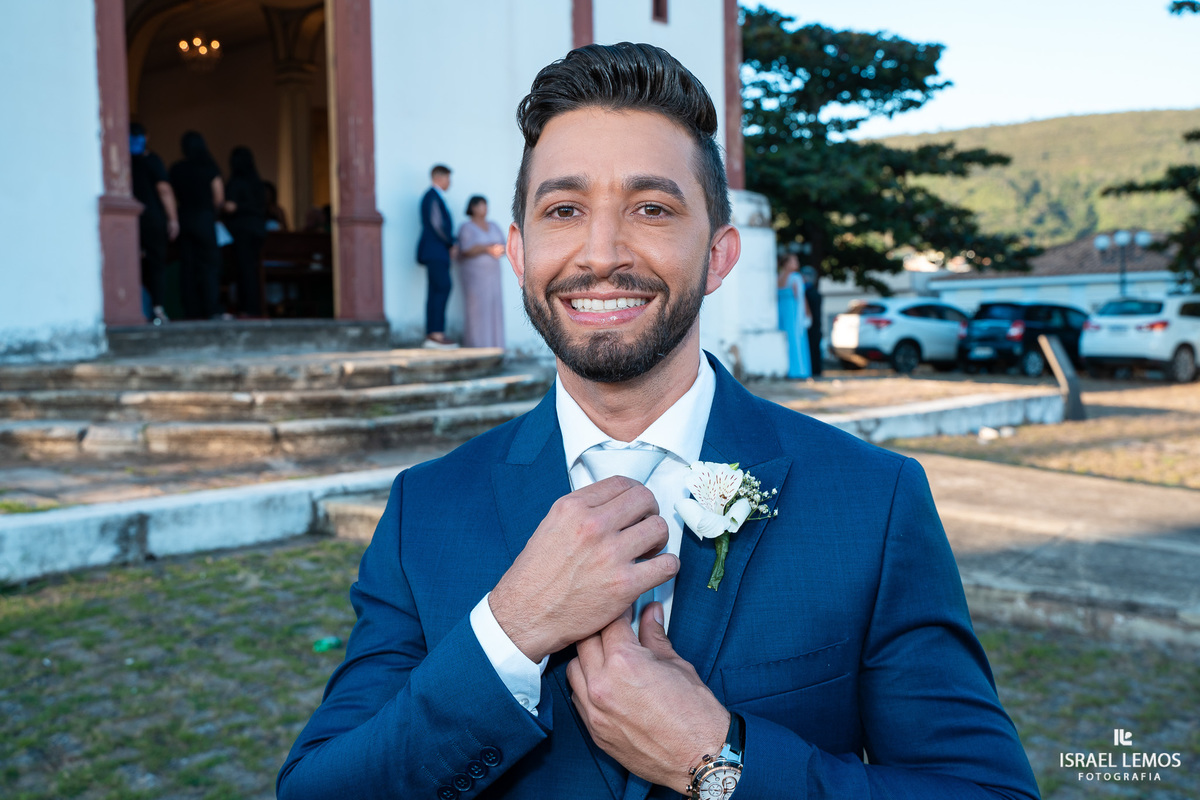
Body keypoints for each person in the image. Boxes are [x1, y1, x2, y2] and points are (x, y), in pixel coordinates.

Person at [279, 43, 1038, 800]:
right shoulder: (423, 510)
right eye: (564, 210)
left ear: (718, 255)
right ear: (518, 252)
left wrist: (718, 762)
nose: (601, 255)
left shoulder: (874, 500)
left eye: (651, 209)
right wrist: (510, 632)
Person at [169, 131, 224, 320]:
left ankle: (190, 311)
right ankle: (211, 309)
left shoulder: (177, 169)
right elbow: (219, 198)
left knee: (188, 266)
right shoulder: (209, 167)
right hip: (204, 218)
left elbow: (171, 194)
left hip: (184, 218)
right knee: (209, 266)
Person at [130, 122, 179, 324]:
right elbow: (164, 190)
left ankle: (137, 307)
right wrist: (173, 219)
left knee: (132, 264)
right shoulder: (152, 160)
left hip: (131, 219)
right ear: (146, 137)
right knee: (156, 265)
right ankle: (157, 309)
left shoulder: (121, 160)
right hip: (151, 219)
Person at [456, 195, 507, 348]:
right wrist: (487, 248)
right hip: (474, 276)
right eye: (481, 205)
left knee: (494, 308)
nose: (485, 208)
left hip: (493, 275)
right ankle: (477, 346)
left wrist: (499, 249)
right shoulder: (466, 227)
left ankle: (496, 346)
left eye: (486, 205)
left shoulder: (494, 225)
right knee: (477, 309)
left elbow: (505, 245)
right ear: (472, 207)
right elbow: (465, 249)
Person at [222, 147, 267, 317]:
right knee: (252, 270)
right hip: (258, 230)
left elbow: (230, 207)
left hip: (242, 230)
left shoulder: (236, 182)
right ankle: (253, 308)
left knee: (244, 270)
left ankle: (247, 309)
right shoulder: (257, 183)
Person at [417, 164, 458, 348]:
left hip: (435, 251)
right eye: (448, 178)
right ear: (439, 178)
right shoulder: (432, 196)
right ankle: (436, 334)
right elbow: (437, 224)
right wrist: (451, 242)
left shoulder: (433, 196)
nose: (450, 182)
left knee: (436, 289)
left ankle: (434, 334)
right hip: (435, 251)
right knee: (441, 287)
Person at [776, 253, 811, 379]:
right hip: (791, 312)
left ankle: (795, 370)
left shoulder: (781, 277)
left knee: (791, 339)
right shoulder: (794, 277)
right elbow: (801, 298)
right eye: (793, 261)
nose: (796, 263)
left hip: (786, 311)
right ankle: (797, 370)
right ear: (786, 263)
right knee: (793, 339)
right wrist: (807, 313)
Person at [801, 264, 823, 376]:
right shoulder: (814, 292)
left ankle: (815, 371)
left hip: (812, 326)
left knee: (813, 349)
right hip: (815, 326)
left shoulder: (808, 292)